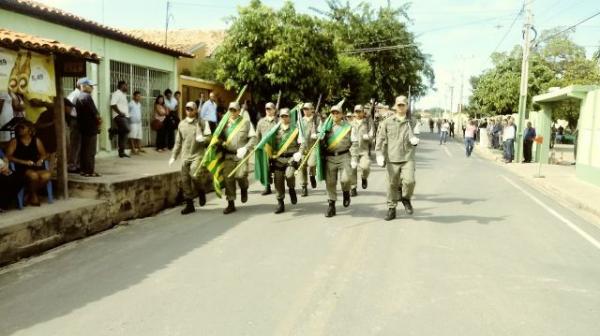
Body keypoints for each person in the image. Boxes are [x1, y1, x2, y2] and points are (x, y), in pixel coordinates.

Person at [375, 95, 419, 221]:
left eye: (403, 105)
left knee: (410, 181)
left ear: (406, 106)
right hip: (392, 157)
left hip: (407, 157)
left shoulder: (413, 122)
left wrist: (415, 140)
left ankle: (406, 198)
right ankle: (391, 208)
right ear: (395, 106)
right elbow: (381, 138)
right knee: (391, 184)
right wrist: (379, 154)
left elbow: (416, 136)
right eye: (398, 105)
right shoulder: (387, 122)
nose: (400, 107)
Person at [169, 102, 212, 215]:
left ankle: (201, 190)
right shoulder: (181, 124)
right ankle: (190, 205)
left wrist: (204, 139)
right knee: (185, 180)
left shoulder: (202, 122)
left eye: (191, 109)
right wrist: (174, 155)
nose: (188, 110)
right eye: (187, 108)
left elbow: (210, 137)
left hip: (198, 154)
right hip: (185, 156)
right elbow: (178, 142)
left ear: (196, 110)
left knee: (194, 174)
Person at [220, 101, 257, 214]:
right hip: (228, 155)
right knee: (228, 178)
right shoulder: (223, 123)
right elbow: (217, 138)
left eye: (234, 110)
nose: (232, 112)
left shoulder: (246, 123)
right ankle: (231, 203)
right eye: (230, 110)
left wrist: (246, 148)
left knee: (241, 175)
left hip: (241, 155)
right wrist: (221, 143)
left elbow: (253, 138)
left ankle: (244, 188)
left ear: (239, 111)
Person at [323, 104, 357, 218]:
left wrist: (354, 157)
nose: (335, 115)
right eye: (333, 113)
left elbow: (354, 143)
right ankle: (331, 205)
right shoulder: (326, 127)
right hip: (330, 157)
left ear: (342, 114)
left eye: (337, 112)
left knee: (346, 179)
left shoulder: (348, 127)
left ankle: (346, 192)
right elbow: (319, 142)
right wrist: (319, 136)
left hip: (344, 156)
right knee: (330, 182)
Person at [6, 121, 50, 206]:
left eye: (23, 127)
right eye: (19, 127)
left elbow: (44, 154)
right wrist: (24, 162)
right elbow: (8, 156)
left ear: (30, 130)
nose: (20, 129)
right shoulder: (14, 141)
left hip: (34, 165)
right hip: (21, 167)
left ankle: (29, 193)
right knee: (33, 176)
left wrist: (40, 160)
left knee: (47, 175)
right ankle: (33, 196)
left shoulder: (36, 140)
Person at [272, 108, 303, 214]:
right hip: (279, 158)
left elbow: (302, 143)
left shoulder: (296, 129)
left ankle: (291, 189)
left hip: (291, 158)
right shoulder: (275, 130)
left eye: (286, 116)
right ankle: (280, 202)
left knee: (289, 175)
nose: (284, 118)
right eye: (282, 116)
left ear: (290, 117)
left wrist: (300, 153)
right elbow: (269, 143)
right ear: (279, 117)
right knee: (278, 181)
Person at [76, 78, 101, 177]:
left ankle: (83, 170)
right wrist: (99, 123)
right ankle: (90, 171)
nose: (92, 88)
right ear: (84, 86)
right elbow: (96, 114)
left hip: (83, 128)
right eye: (91, 86)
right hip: (91, 128)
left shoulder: (78, 97)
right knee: (90, 151)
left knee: (84, 150)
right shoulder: (87, 97)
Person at [256, 102, 278, 195]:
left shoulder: (278, 121)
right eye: (266, 109)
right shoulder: (261, 122)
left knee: (277, 168)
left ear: (274, 110)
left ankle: (278, 186)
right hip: (265, 148)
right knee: (266, 168)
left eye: (270, 109)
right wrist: (257, 146)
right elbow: (258, 135)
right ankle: (267, 186)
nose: (268, 111)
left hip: (276, 148)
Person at [349, 104, 372, 196]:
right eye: (356, 112)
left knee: (365, 167)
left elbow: (372, 135)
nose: (358, 114)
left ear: (363, 112)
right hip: (353, 150)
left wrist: (368, 137)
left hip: (364, 150)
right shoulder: (350, 123)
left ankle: (364, 177)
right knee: (353, 168)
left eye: (360, 111)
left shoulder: (368, 123)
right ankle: (353, 187)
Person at [299, 102, 320, 197]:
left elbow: (322, 131)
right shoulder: (300, 120)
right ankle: (304, 187)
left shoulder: (317, 119)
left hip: (313, 146)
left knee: (312, 163)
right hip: (303, 146)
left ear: (312, 109)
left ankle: (312, 175)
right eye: (304, 109)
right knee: (302, 166)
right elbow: (297, 132)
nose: (306, 111)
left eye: (308, 109)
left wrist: (317, 134)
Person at [110, 81, 130, 158]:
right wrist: (120, 113)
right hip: (119, 116)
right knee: (127, 129)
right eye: (126, 85)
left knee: (123, 134)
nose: (127, 87)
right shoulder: (116, 93)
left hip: (125, 116)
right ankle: (113, 130)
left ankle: (121, 152)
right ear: (122, 86)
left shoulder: (123, 94)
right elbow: (113, 104)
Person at [66, 82, 82, 172]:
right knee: (75, 144)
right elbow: (67, 107)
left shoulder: (81, 95)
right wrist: (70, 120)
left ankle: (77, 164)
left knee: (79, 143)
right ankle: (72, 165)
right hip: (75, 120)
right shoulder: (74, 94)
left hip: (80, 121)